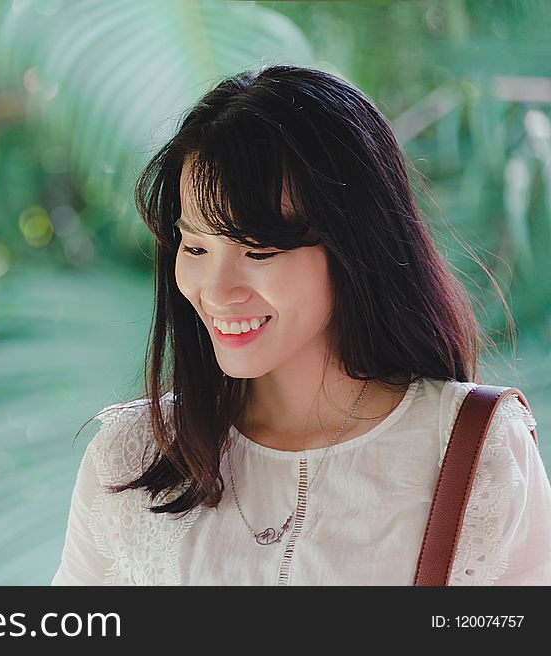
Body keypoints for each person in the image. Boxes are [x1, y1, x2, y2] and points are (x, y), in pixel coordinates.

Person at [50, 64, 551, 585]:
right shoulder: (131, 457)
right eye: (195, 247)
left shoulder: (476, 448)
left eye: (258, 250)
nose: (217, 291)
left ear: (354, 246)